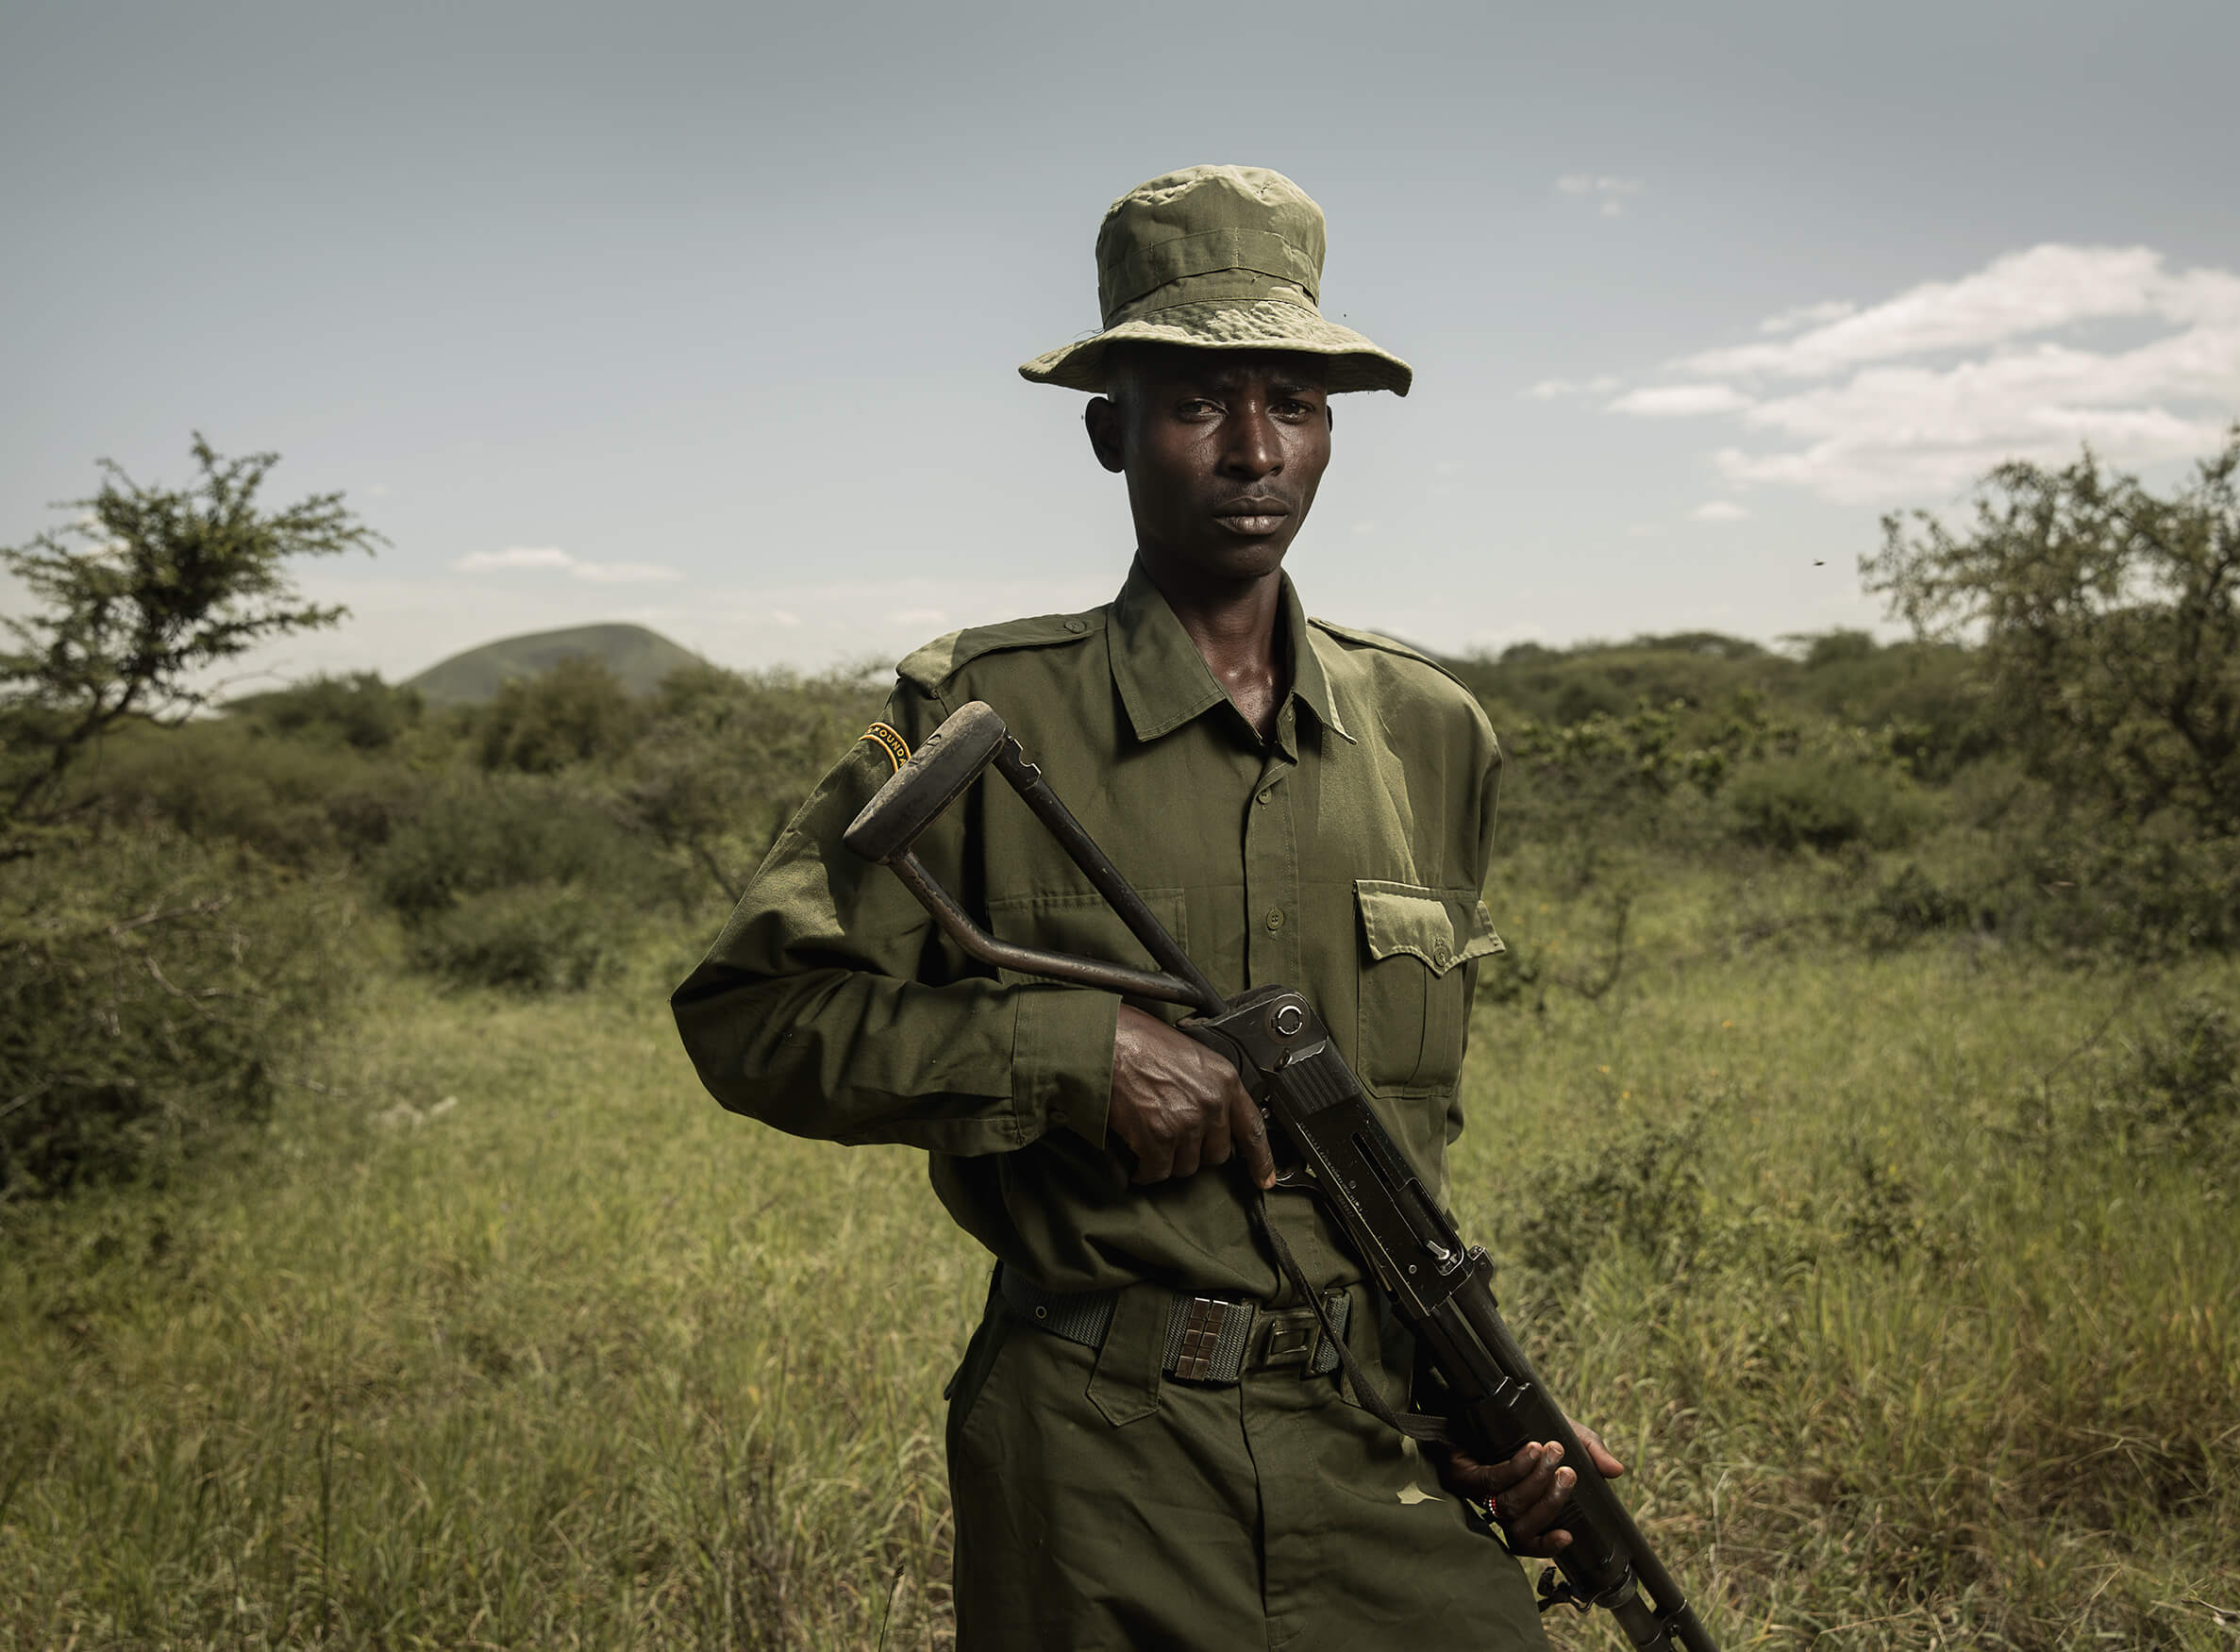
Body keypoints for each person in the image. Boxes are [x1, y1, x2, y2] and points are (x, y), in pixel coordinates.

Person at [672, 164, 1625, 1650]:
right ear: (1111, 429)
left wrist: (1480, 1401)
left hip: (1378, 1447)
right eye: (1197, 403)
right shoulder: (979, 712)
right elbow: (756, 1017)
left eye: (1296, 405)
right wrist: (1073, 1054)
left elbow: (1398, 1161)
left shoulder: (1436, 732)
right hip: (1098, 1455)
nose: (1255, 450)